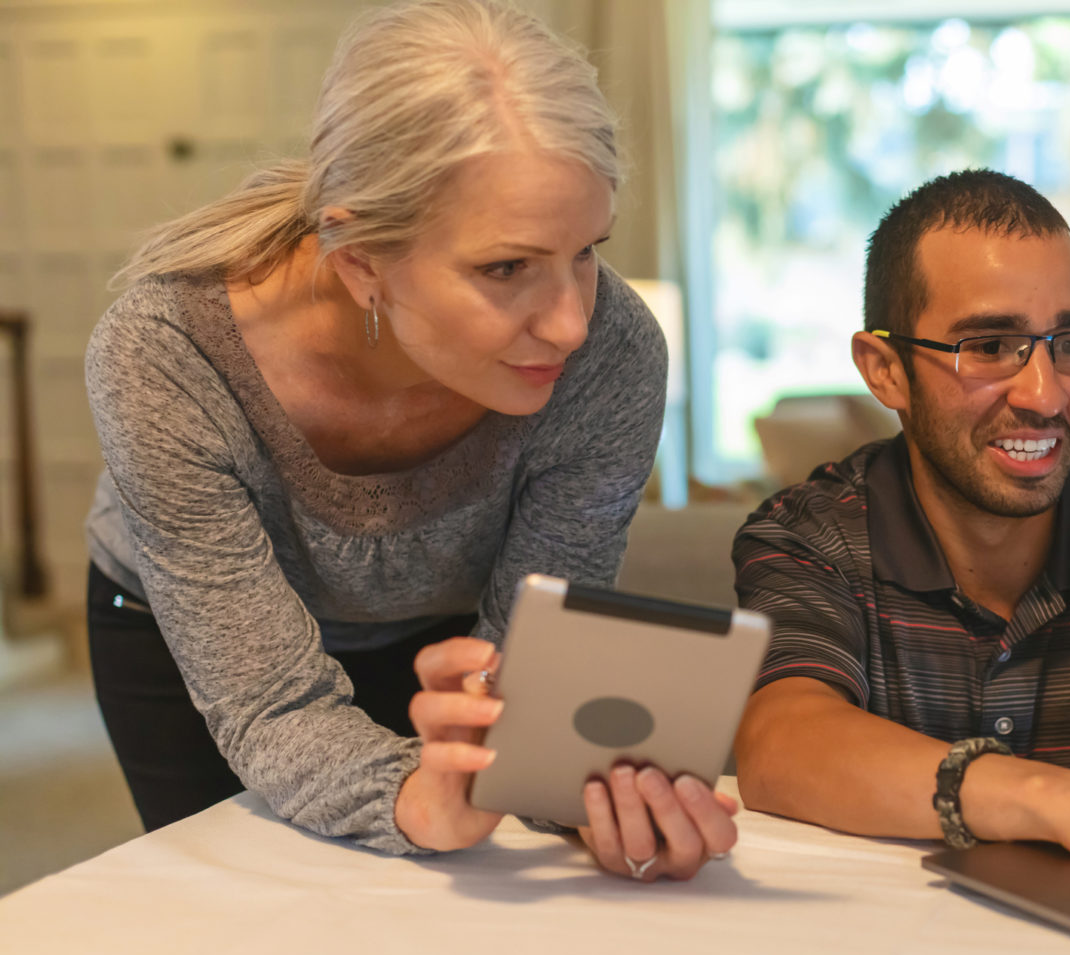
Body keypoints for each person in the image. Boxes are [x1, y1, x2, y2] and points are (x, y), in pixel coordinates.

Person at [84, 0, 734, 882]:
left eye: (587, 251)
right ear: (360, 263)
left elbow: (535, 664)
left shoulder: (614, 353)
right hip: (195, 644)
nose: (573, 323)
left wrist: (582, 787)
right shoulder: (166, 354)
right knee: (241, 919)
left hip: (445, 635)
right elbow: (269, 703)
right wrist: (411, 800)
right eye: (506, 268)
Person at [731, 170, 1070, 887]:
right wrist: (1060, 798)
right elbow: (780, 745)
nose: (1046, 396)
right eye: (988, 346)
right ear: (884, 371)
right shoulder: (814, 538)